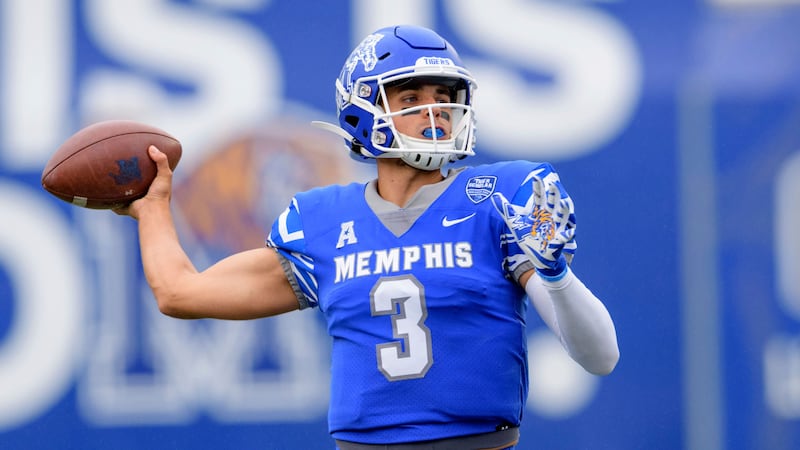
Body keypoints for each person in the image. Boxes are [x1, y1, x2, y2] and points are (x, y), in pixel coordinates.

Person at [115, 24, 619, 450]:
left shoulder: (497, 198)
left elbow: (600, 357)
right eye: (412, 97)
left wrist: (554, 274)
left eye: (444, 97)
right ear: (364, 110)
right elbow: (179, 292)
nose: (436, 111)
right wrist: (153, 208)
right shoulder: (321, 222)